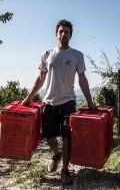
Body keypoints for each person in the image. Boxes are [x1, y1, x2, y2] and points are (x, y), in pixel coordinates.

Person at [21, 19, 96, 184]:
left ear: (71, 35)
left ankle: (64, 170)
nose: (63, 34)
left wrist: (90, 101)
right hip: (49, 103)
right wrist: (29, 97)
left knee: (66, 137)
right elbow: (40, 78)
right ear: (56, 34)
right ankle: (56, 154)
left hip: (68, 102)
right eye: (61, 31)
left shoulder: (77, 55)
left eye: (67, 32)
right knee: (50, 138)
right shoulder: (47, 54)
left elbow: (83, 79)